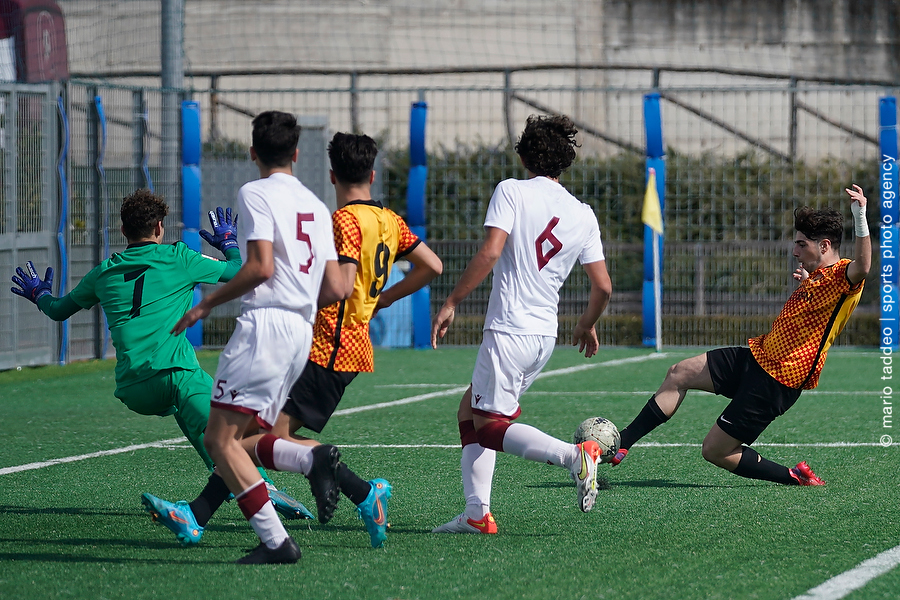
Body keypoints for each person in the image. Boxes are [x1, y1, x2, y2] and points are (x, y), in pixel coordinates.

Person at [142, 132, 444, 550]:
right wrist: (383, 300)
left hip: (327, 346)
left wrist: (297, 299)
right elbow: (432, 264)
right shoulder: (391, 220)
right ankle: (196, 513)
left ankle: (362, 493)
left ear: (333, 174)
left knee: (258, 439)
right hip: (344, 345)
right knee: (245, 434)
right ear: (372, 174)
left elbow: (342, 285)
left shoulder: (344, 222)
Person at [9, 190, 311, 526]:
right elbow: (241, 272)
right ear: (160, 227)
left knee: (198, 421)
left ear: (123, 231)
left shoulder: (102, 273)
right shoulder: (180, 257)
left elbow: (58, 310)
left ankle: (234, 481)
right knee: (229, 432)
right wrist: (227, 242)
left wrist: (39, 293)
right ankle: (257, 486)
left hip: (134, 389)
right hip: (176, 375)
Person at [169, 110, 347, 565]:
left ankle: (277, 541)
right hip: (301, 332)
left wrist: (207, 303)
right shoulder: (316, 203)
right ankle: (310, 461)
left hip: (266, 327)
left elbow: (260, 266)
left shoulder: (254, 192)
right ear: (297, 153)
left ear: (253, 153)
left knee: (218, 441)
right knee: (248, 438)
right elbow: (334, 288)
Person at [611, 184, 872, 486]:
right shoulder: (817, 278)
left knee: (715, 451)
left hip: (778, 380)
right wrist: (807, 282)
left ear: (824, 246)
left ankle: (793, 476)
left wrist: (861, 216)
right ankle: (622, 443)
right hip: (757, 355)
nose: (795, 251)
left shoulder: (842, 276)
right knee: (679, 372)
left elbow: (863, 266)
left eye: (802, 244)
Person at [430, 114, 612, 534]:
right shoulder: (583, 213)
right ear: (564, 162)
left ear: (525, 156)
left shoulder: (511, 191)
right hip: (543, 335)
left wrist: (453, 301)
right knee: (471, 410)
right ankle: (477, 515)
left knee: (491, 426)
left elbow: (491, 252)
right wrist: (586, 324)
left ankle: (575, 456)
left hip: (509, 328)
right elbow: (602, 285)